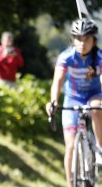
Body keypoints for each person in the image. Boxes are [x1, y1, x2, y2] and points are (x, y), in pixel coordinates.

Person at [45, 18, 102, 187]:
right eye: (78, 38)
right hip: (73, 97)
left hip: (94, 95)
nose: (82, 43)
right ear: (72, 39)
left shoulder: (99, 57)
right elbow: (58, 81)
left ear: (94, 40)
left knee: (96, 108)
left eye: (87, 39)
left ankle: (99, 148)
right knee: (70, 145)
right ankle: (71, 184)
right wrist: (53, 101)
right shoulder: (66, 57)